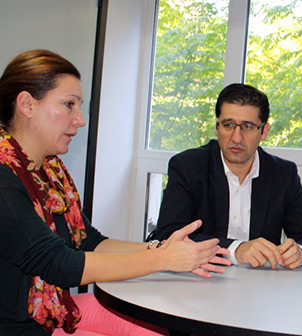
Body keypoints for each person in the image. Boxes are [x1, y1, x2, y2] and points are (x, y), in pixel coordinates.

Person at [0, 49, 232, 335]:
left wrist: (163, 248)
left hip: (53, 311)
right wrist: (162, 260)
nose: (80, 119)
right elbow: (57, 264)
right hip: (17, 326)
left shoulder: (50, 170)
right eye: (69, 104)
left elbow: (89, 242)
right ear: (26, 104)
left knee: (158, 327)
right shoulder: (3, 175)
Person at [155, 83, 302, 270]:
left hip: (259, 288)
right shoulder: (188, 166)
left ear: (264, 131)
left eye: (247, 126)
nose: (236, 137)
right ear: (217, 128)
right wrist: (236, 249)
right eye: (228, 125)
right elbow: (168, 234)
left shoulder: (283, 174)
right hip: (200, 280)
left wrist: (301, 252)